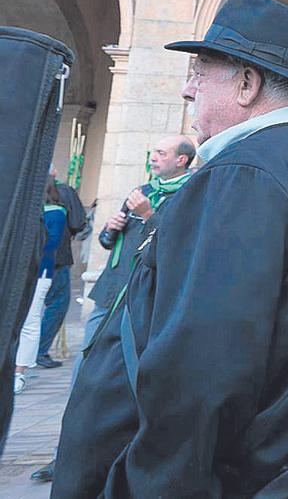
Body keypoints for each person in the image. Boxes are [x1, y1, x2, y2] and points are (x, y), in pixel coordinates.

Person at [54, 0, 288, 496]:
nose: (187, 90)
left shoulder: (244, 175)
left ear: (247, 84)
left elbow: (200, 374)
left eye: (200, 73)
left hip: (236, 475)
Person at [29, 134, 195, 484]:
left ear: (181, 160)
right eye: (153, 153)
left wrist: (148, 215)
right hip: (111, 293)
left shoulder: (189, 196)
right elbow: (107, 241)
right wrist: (110, 228)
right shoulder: (142, 190)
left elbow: (180, 245)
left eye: (162, 154)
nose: (153, 158)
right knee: (84, 376)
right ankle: (65, 458)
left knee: (134, 385)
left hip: (148, 300)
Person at [14, 179, 67, 395]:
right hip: (15, 270)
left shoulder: (56, 213)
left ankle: (19, 372)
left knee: (30, 320)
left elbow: (52, 243)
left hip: (39, 271)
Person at [36, 166, 86, 369]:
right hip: (55, 259)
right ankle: (38, 350)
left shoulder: (24, 189)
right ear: (54, 172)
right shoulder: (63, 192)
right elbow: (77, 222)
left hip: (30, 259)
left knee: (28, 308)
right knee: (57, 304)